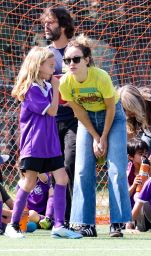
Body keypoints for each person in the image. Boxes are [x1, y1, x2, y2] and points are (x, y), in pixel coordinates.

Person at [5, 46, 82, 239]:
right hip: (35, 144)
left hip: (51, 144)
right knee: (29, 182)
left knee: (62, 179)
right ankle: (13, 225)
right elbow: (52, 111)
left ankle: (58, 225)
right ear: (38, 66)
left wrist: (56, 87)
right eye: (50, 65)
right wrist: (57, 88)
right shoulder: (31, 88)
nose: (54, 67)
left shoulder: (46, 86)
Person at [59, 34, 132, 238]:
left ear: (87, 60)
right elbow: (79, 112)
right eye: (67, 60)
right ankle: (85, 224)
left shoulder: (101, 77)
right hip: (87, 120)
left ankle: (117, 224)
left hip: (113, 118)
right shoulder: (65, 83)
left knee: (116, 170)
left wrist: (104, 137)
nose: (71, 64)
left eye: (76, 59)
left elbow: (111, 108)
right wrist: (93, 135)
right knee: (82, 170)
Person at [40, 7, 77, 227]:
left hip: (75, 118)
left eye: (51, 22)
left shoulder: (77, 52)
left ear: (63, 26)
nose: (46, 26)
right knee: (55, 169)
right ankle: (58, 219)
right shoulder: (43, 55)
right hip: (50, 120)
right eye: (45, 22)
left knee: (71, 165)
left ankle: (74, 218)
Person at [119, 84, 151, 164]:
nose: (128, 113)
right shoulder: (128, 112)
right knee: (144, 158)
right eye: (125, 110)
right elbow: (129, 135)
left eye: (130, 109)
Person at [126, 138, 151, 231]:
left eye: (146, 153)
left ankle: (141, 224)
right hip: (130, 209)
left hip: (146, 209)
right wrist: (133, 185)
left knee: (140, 196)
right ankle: (131, 222)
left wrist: (150, 172)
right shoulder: (127, 172)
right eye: (141, 154)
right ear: (131, 157)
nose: (145, 156)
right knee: (137, 195)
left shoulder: (149, 167)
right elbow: (124, 196)